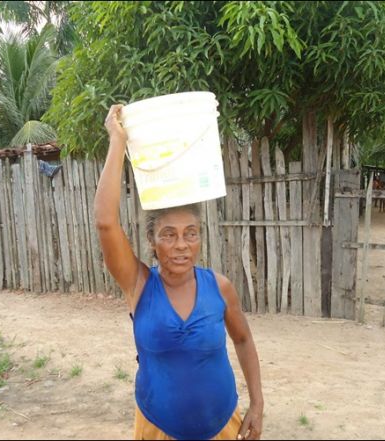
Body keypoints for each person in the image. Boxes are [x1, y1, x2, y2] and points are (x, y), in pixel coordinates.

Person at [94, 104, 264, 440]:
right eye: (169, 235)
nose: (182, 245)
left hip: (222, 425)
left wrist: (257, 404)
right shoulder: (139, 284)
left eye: (191, 233)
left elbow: (243, 339)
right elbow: (105, 222)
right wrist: (117, 140)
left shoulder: (220, 287)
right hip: (158, 426)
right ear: (152, 241)